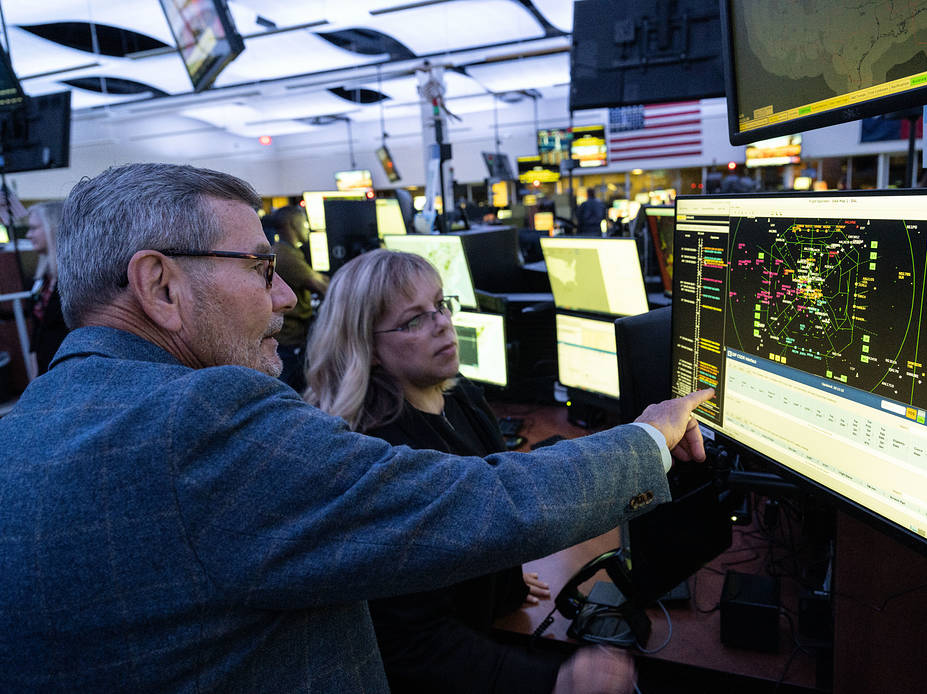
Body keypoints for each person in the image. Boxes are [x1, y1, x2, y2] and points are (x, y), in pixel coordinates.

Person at [0, 162, 713, 692]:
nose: (283, 295)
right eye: (260, 267)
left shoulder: (23, 427)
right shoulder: (197, 416)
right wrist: (647, 438)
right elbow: (467, 505)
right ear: (159, 285)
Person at [306, 249, 602, 693]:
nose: (443, 323)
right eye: (413, 321)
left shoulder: (459, 397)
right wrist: (557, 682)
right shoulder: (381, 453)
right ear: (367, 349)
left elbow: (488, 501)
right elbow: (411, 642)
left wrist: (500, 579)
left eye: (440, 305)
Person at [270, 204, 329, 391]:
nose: (307, 227)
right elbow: (321, 286)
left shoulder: (288, 251)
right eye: (303, 223)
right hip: (291, 341)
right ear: (292, 224)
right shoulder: (285, 256)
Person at [24, 200, 69, 375]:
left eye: (34, 228)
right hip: (46, 370)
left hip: (68, 371)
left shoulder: (74, 279)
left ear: (53, 228)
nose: (28, 235)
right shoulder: (44, 278)